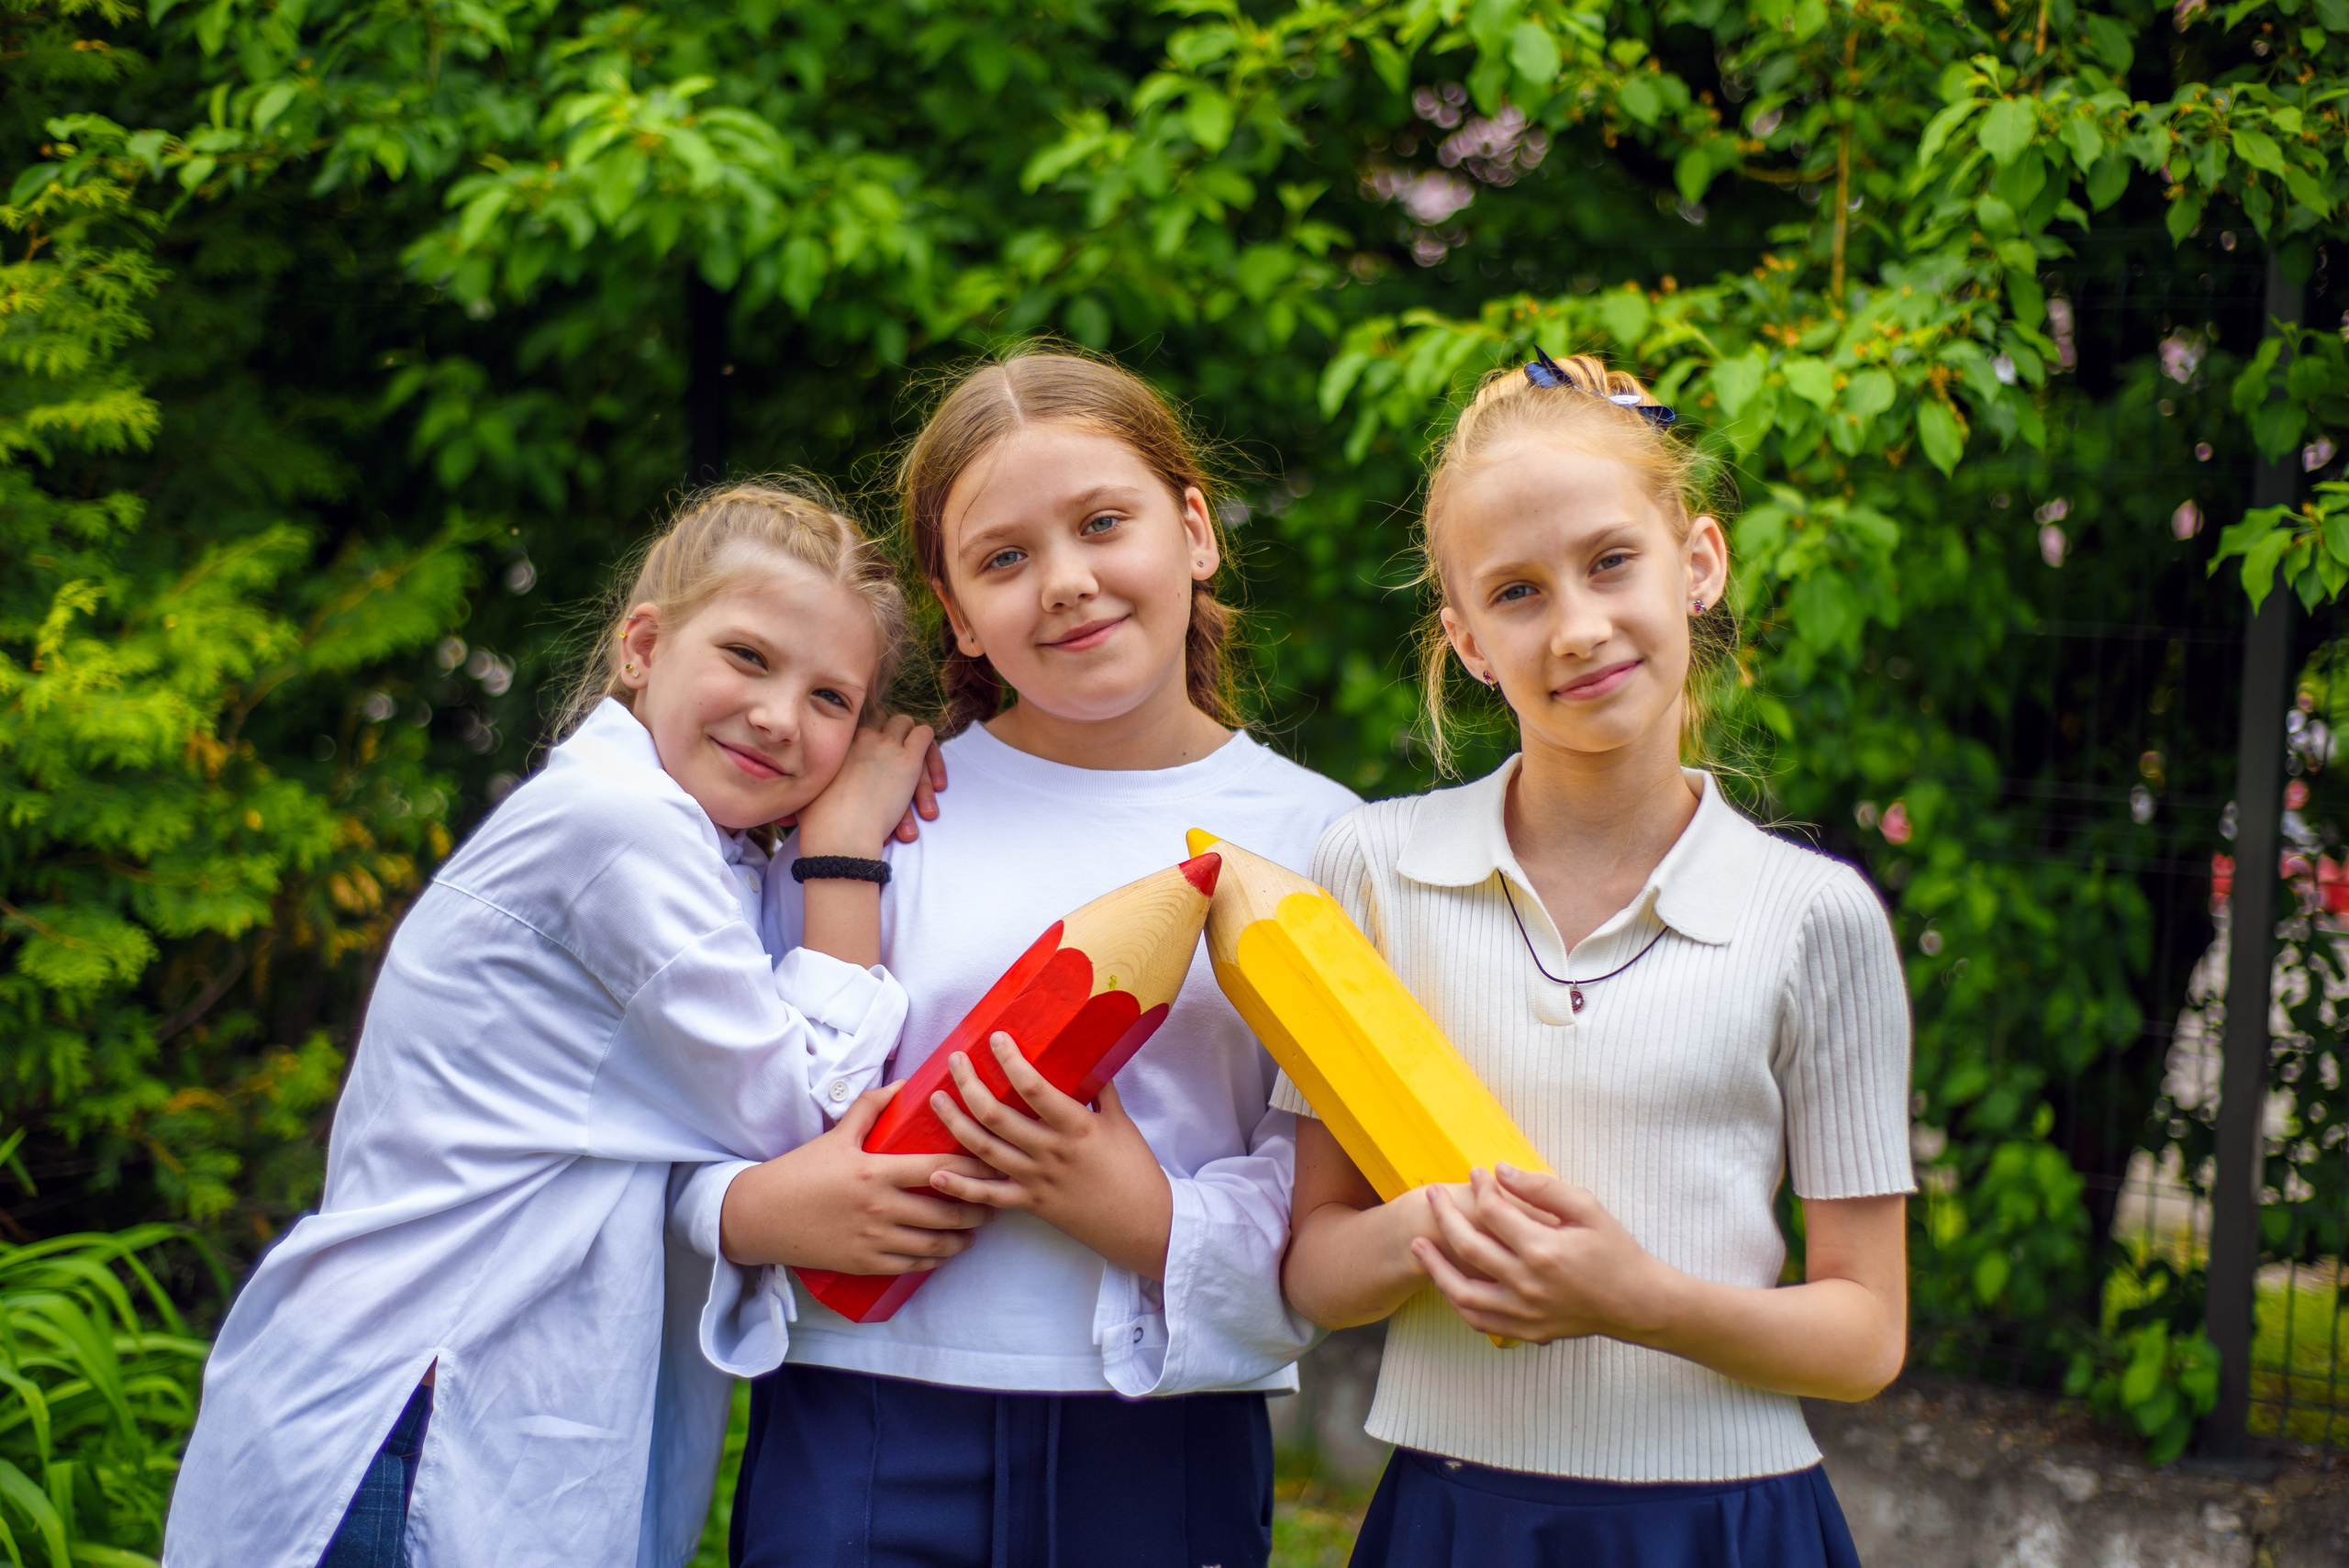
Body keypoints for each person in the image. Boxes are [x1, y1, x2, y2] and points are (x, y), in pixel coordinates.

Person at [166, 481, 989, 1568]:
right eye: (747, 657)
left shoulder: (690, 844)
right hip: (411, 1420)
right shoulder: (615, 831)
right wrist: (843, 850)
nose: (781, 715)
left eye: (832, 698)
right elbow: (809, 1118)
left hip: (444, 1413)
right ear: (643, 646)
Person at [716, 349, 1359, 1568]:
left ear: (1195, 531)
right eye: (1004, 559)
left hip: (1159, 1434)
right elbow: (762, 1105)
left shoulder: (1323, 836)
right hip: (861, 1411)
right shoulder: (882, 801)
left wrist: (1147, 1215)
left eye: (1102, 524)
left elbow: (1322, 1178)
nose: (1065, 583)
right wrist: (840, 864)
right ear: (957, 612)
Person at [1277, 350, 1913, 1567]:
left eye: (1612, 561)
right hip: (1457, 1520)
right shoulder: (1369, 871)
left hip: (1728, 1524)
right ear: (1465, 638)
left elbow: (1866, 1333)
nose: (1576, 626)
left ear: (1701, 562)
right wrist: (1433, 1224)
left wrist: (1635, 1298)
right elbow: (1314, 1265)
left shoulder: (1813, 918)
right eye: (1516, 593)